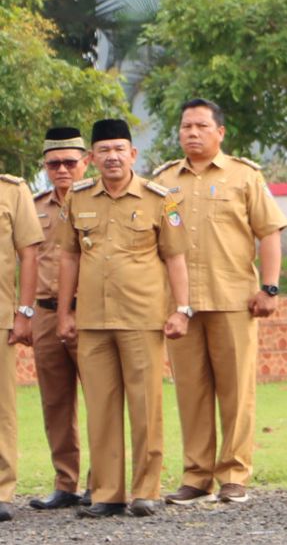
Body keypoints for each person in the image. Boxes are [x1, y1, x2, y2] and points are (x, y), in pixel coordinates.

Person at [154, 99, 287, 505]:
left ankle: (233, 474)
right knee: (190, 392)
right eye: (185, 126)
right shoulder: (162, 181)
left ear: (220, 132)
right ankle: (196, 477)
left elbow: (269, 233)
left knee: (235, 392)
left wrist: (269, 288)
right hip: (182, 305)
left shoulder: (244, 176)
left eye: (200, 126)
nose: (192, 133)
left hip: (233, 299)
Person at [57, 118, 192, 519]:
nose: (112, 157)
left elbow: (176, 257)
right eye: (104, 151)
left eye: (120, 149)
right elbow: (68, 256)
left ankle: (146, 490)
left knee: (145, 404)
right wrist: (65, 311)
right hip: (93, 320)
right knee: (100, 406)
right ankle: (107, 493)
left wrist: (181, 309)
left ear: (133, 154)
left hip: (142, 316)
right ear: (91, 158)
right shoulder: (77, 198)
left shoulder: (161, 198)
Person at [25, 127, 90, 510]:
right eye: (54, 163)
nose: (62, 169)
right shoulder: (34, 207)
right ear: (45, 167)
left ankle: (104, 482)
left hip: (91, 313)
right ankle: (66, 483)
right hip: (46, 314)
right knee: (55, 403)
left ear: (86, 162)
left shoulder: (99, 201)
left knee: (101, 399)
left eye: (69, 162)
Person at [0, 160, 44, 524]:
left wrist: (24, 311)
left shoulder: (12, 190)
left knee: (2, 407)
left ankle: (1, 489)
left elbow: (29, 252)